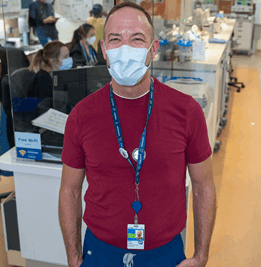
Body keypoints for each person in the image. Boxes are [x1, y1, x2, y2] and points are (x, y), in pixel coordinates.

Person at [59, 2, 216, 267]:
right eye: (115, 40)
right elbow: (69, 191)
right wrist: (73, 258)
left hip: (164, 253)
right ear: (104, 51)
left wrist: (201, 255)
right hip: (100, 252)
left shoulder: (187, 111)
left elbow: (203, 186)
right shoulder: (82, 116)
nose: (125, 49)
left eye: (137, 39)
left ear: (153, 49)